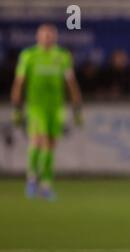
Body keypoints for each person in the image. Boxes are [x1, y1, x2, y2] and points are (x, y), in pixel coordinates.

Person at [11, 24, 83, 200]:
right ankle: (31, 179)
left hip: (56, 107)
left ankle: (45, 184)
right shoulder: (29, 56)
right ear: (38, 37)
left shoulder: (62, 56)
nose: (47, 38)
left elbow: (71, 83)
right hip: (35, 106)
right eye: (44, 35)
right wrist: (17, 107)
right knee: (39, 140)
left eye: (50, 35)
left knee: (50, 145)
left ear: (55, 38)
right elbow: (19, 82)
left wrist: (77, 108)